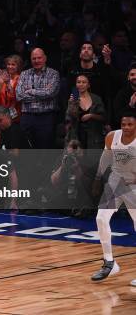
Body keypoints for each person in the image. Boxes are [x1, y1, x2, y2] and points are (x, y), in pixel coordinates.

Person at [90, 110, 136, 286]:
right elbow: (105, 158)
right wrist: (97, 178)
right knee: (101, 218)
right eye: (123, 124)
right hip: (116, 181)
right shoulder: (112, 137)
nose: (126, 127)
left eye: (130, 124)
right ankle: (109, 263)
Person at [16, 48, 60, 149]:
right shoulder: (24, 74)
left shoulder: (53, 74)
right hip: (27, 116)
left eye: (39, 58)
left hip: (46, 117)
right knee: (24, 147)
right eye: (34, 58)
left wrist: (31, 91)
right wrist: (43, 94)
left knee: (44, 148)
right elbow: (19, 96)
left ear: (45, 58)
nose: (36, 61)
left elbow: (51, 93)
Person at [65, 75, 106, 149]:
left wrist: (91, 115)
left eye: (84, 82)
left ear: (88, 85)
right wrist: (72, 104)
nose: (81, 84)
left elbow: (103, 117)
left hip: (94, 135)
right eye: (78, 82)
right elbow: (69, 119)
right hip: (77, 135)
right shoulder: (73, 99)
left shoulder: (96, 99)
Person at [0, 55, 23, 122]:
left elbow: (17, 99)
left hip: (16, 116)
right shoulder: (3, 79)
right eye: (8, 64)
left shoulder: (21, 79)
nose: (10, 67)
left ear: (18, 66)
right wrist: (0, 83)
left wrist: (8, 84)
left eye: (13, 64)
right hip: (2, 116)